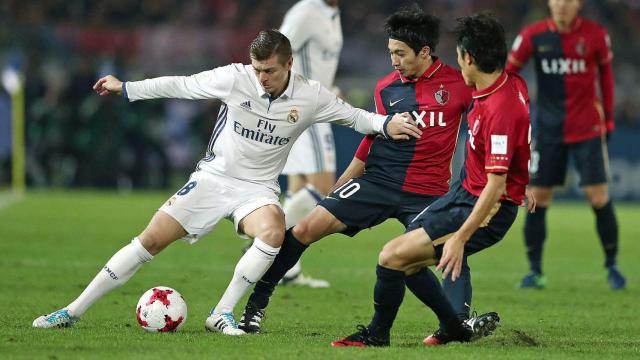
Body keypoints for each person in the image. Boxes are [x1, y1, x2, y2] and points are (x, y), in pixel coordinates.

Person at [31, 29, 421, 335]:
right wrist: (127, 88)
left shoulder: (310, 95)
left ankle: (222, 313)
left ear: (288, 65)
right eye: (257, 69)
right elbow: (180, 85)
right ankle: (71, 311)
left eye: (269, 70)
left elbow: (354, 117)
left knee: (272, 232)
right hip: (213, 179)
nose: (262, 77)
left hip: (257, 189)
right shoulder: (235, 78)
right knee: (148, 241)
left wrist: (386, 123)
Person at [237, 5, 479, 336]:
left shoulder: (459, 85)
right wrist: (338, 188)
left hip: (428, 192)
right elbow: (369, 143)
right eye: (391, 52)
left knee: (446, 252)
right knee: (306, 227)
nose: (394, 60)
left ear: (425, 51)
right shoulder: (385, 88)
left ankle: (458, 322)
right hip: (378, 181)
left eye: (401, 53)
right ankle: (256, 305)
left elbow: (482, 129)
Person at [332, 13, 532, 347]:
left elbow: (497, 185)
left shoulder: (500, 108)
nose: (457, 66)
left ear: (469, 58)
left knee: (392, 257)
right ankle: (453, 327)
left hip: (489, 207)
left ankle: (380, 334)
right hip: (462, 193)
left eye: (458, 57)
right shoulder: (504, 85)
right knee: (405, 258)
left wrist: (460, 239)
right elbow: (519, 144)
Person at [507, 0, 626, 290]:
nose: (561, 5)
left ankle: (612, 266)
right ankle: (535, 271)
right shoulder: (533, 35)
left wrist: (608, 120)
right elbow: (509, 74)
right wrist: (516, 112)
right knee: (537, 198)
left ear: (579, 4)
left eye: (569, 0)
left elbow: (606, 79)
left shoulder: (596, 35)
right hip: (548, 130)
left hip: (587, 128)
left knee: (598, 196)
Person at [273, 0, 344, 288]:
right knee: (326, 189)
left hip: (313, 103)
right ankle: (265, 235)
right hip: (307, 107)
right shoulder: (305, 12)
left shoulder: (332, 13)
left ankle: (287, 270)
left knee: (299, 188)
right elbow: (275, 51)